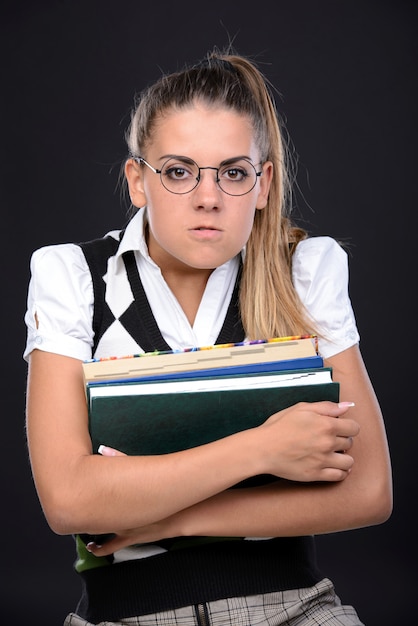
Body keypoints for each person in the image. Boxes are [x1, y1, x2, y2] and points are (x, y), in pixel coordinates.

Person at [24, 47, 392, 626]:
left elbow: (368, 491)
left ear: (263, 183)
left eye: (233, 172)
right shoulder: (73, 278)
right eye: (177, 171)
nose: (208, 196)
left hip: (293, 608)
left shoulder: (304, 272)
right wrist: (262, 449)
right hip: (125, 616)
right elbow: (70, 500)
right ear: (137, 181)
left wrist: (170, 519)